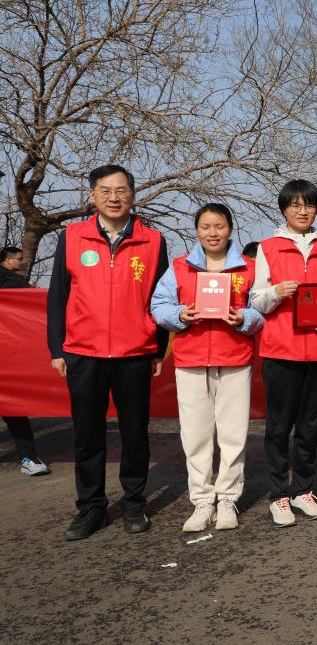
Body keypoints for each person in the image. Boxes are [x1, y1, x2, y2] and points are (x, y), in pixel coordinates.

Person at [47, 164, 169, 540]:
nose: (114, 197)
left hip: (135, 352)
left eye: (121, 190)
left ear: (132, 195)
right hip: (84, 352)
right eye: (105, 190)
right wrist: (57, 348)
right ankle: (91, 508)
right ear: (92, 196)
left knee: (135, 433)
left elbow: (161, 299)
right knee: (88, 435)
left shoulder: (153, 241)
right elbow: (58, 296)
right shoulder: (72, 237)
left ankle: (133, 503)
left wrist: (158, 349)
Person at [151, 204, 264, 532]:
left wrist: (244, 318)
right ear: (197, 230)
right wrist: (178, 315)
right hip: (191, 360)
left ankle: (228, 498)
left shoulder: (249, 268)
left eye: (219, 226)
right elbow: (158, 305)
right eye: (205, 227)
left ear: (230, 229)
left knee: (233, 434)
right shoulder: (179, 267)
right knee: (196, 435)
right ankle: (202, 500)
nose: (212, 233)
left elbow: (261, 309)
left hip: (234, 359)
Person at [250, 180, 317, 528]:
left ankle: (303, 490)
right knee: (278, 427)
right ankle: (278, 495)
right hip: (281, 350)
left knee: (309, 427)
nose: (302, 211)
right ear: (284, 209)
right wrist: (276, 291)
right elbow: (257, 300)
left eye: (309, 205)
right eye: (295, 205)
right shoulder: (268, 248)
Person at [1, 246, 50, 475]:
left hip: (7, 354)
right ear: (7, 260)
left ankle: (28, 457)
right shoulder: (12, 283)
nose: (22, 262)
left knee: (12, 407)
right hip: (8, 356)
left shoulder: (14, 283)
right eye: (18, 259)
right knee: (13, 408)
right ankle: (28, 457)